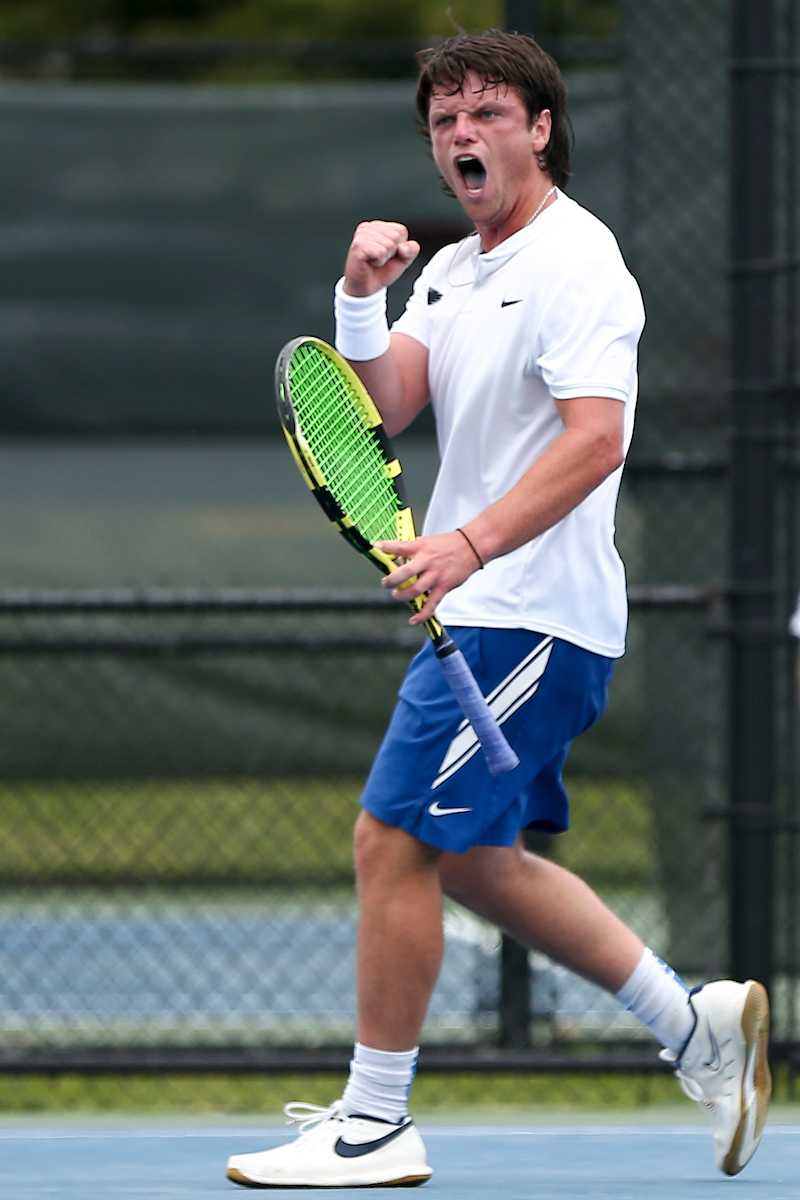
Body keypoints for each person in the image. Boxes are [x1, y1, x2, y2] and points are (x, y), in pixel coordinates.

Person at [226, 30, 771, 1189]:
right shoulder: (455, 268)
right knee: (468, 858)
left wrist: (464, 544)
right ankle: (695, 1027)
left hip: (530, 612)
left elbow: (595, 441)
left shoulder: (582, 264)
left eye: (485, 113)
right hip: (483, 608)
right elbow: (385, 403)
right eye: (442, 121)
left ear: (538, 128)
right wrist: (358, 297)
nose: (461, 135)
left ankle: (375, 1122)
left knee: (391, 839)